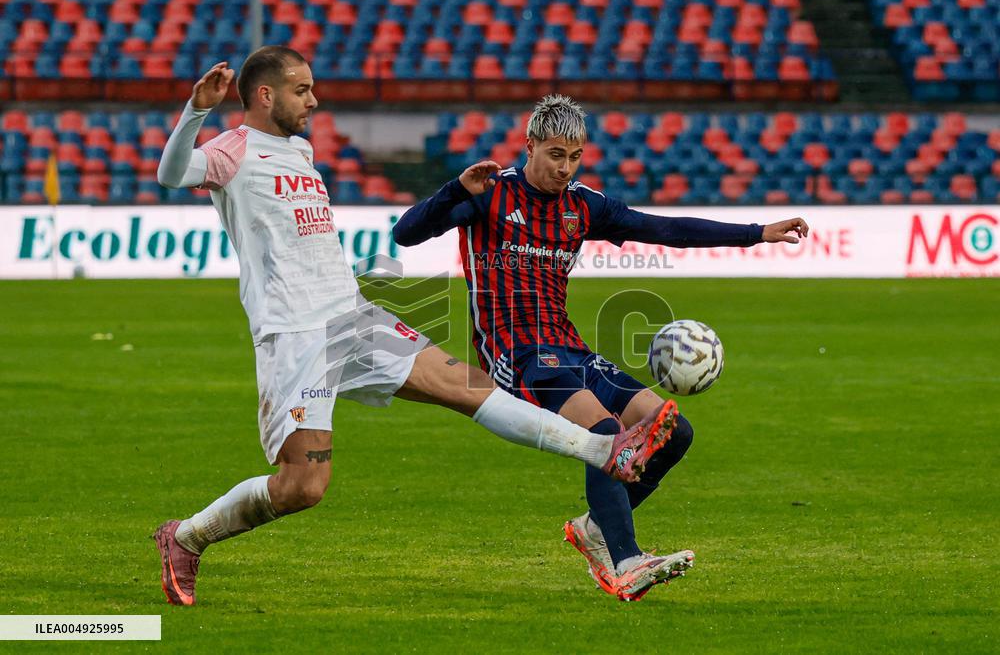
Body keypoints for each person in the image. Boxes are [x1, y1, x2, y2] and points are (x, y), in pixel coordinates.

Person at [153, 50, 675, 606]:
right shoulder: (232, 151)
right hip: (296, 336)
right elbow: (172, 173)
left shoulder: (300, 151)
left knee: (470, 386)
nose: (314, 99)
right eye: (302, 89)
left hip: (352, 316)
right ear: (265, 95)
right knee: (302, 488)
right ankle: (185, 537)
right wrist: (194, 111)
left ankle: (602, 450)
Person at [393, 94, 810, 601]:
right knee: (609, 433)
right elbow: (406, 232)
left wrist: (758, 232)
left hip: (569, 348)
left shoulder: (582, 206)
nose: (564, 168)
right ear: (530, 147)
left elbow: (665, 229)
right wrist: (454, 189)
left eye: (574, 157)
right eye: (554, 155)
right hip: (514, 352)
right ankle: (625, 561)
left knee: (673, 431)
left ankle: (596, 529)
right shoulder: (490, 195)